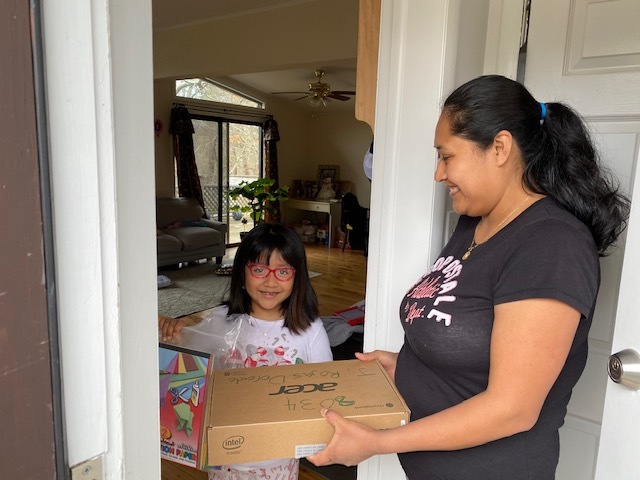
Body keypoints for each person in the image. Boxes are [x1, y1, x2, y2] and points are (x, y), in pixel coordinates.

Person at [307, 74, 630, 479]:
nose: (439, 174)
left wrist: (376, 442)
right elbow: (466, 332)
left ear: (499, 147)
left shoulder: (552, 245)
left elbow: (511, 409)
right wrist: (406, 366)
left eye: (447, 156)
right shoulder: (474, 223)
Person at [160, 223, 332, 480]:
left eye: (283, 271)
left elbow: (326, 393)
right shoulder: (219, 321)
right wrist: (172, 330)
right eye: (260, 269)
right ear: (242, 273)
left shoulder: (310, 330)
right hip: (225, 460)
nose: (271, 281)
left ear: (297, 277)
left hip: (279, 463)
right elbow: (186, 372)